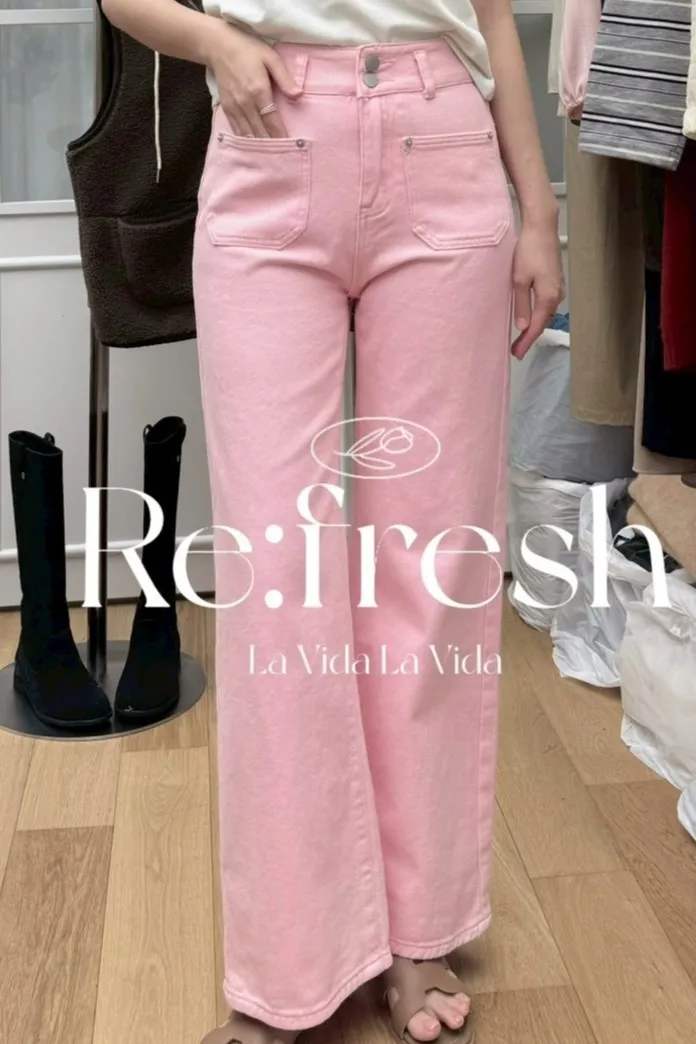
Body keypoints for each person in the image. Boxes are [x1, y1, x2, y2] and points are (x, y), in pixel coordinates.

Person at [101, 2, 564, 1042]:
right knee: (277, 582)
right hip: (270, 136)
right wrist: (214, 42)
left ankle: (420, 928)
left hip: (443, 145)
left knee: (428, 573)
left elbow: (490, 12)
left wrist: (539, 213)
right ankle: (288, 970)